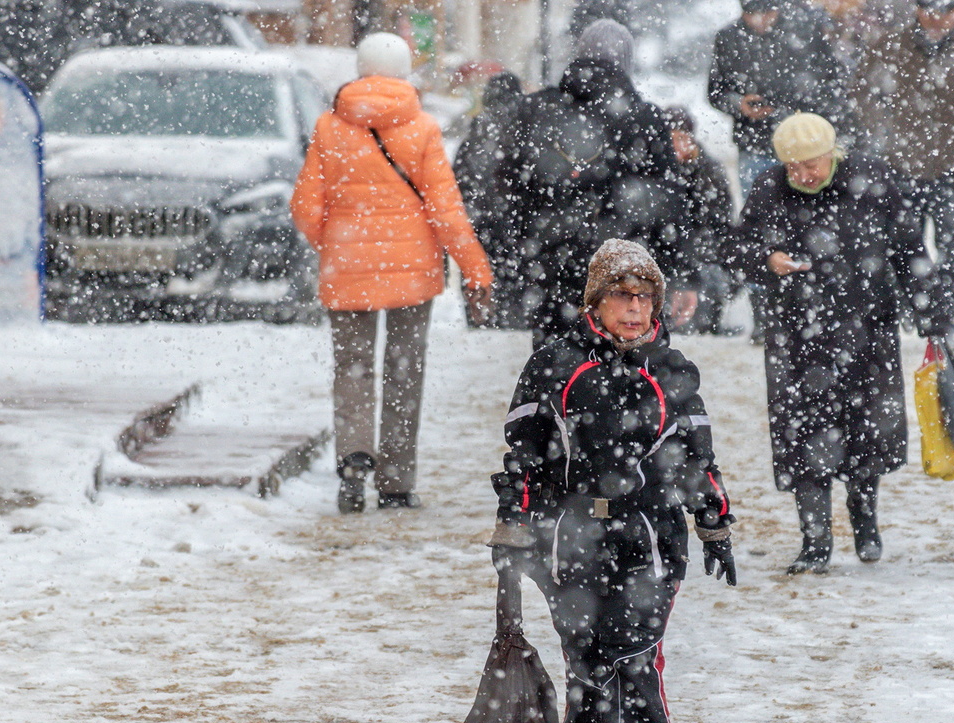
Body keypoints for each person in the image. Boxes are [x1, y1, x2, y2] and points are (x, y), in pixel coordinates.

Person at [488, 239, 736, 723]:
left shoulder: (671, 372)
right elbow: (524, 456)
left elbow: (695, 456)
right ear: (594, 304)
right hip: (573, 536)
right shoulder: (555, 365)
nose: (634, 308)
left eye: (644, 296)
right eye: (621, 296)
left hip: (650, 535)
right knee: (589, 664)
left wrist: (714, 520)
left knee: (636, 660)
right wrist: (514, 524)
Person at [731, 113, 952, 573]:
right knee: (801, 434)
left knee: (865, 430)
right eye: (792, 167)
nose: (802, 175)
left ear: (833, 154)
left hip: (867, 329)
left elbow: (910, 249)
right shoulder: (771, 188)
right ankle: (814, 540)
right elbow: (738, 245)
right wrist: (765, 259)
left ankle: (864, 517)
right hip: (796, 335)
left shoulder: (872, 181)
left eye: (811, 164)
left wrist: (931, 316)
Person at [291, 32, 493, 514]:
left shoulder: (329, 126)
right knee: (405, 370)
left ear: (360, 68)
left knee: (353, 369)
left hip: (346, 268)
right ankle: (397, 481)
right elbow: (446, 209)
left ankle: (355, 460)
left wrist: (338, 242)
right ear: (403, 71)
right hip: (412, 271)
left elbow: (304, 206)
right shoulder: (421, 128)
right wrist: (475, 268)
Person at [496, 19, 687, 350]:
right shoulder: (643, 118)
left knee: (555, 372)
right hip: (624, 271)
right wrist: (679, 271)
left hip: (549, 265)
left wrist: (515, 258)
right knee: (623, 374)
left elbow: (507, 191)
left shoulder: (535, 110)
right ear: (626, 61)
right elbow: (669, 203)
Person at [852, 0, 954, 325]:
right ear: (918, 9)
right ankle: (913, 307)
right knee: (903, 244)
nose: (938, 19)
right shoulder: (889, 46)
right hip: (900, 164)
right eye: (931, 10)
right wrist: (885, 133)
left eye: (948, 11)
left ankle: (944, 316)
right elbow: (863, 93)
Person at [707, 0, 855, 199]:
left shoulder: (805, 29)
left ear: (777, 10)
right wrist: (740, 104)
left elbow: (832, 81)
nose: (760, 21)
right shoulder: (728, 38)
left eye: (767, 14)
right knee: (759, 212)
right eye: (752, 15)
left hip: (808, 147)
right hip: (756, 143)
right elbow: (716, 92)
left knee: (814, 210)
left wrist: (803, 108)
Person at [452, 70, 529, 328]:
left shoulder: (474, 137)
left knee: (483, 282)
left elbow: (458, 186)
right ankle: (513, 318)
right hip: (520, 230)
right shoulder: (528, 135)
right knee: (516, 287)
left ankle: (482, 318)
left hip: (480, 227)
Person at [661, 107, 737, 335]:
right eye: (670, 140)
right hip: (668, 251)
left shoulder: (709, 170)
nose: (676, 146)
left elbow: (719, 222)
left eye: (682, 138)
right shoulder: (657, 170)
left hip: (702, 250)